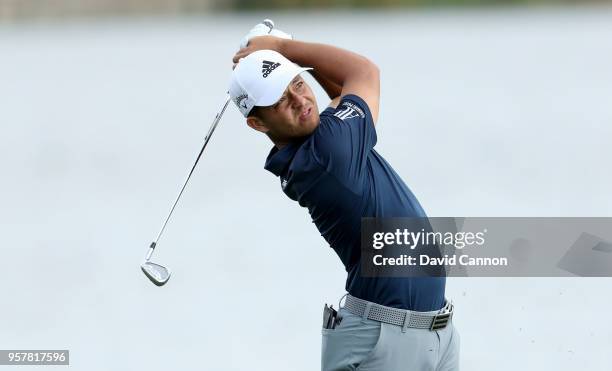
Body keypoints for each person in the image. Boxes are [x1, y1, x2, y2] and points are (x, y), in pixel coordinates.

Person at [230, 21, 460, 371]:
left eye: (297, 82)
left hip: (429, 333)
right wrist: (283, 48)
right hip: (383, 341)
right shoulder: (329, 153)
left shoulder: (323, 142)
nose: (299, 100)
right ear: (258, 124)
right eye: (279, 100)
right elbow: (363, 72)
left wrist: (278, 52)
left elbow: (340, 96)